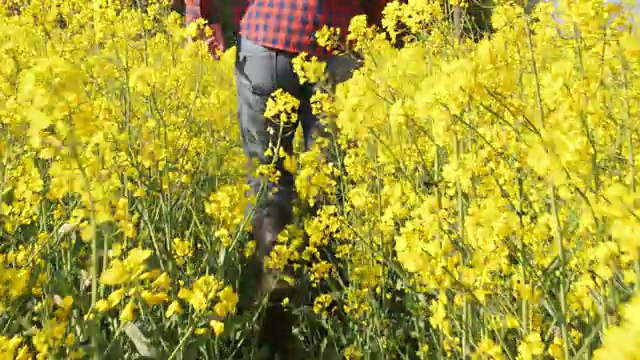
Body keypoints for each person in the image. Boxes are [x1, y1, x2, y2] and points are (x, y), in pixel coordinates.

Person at [173, 1, 390, 358]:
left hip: (268, 37)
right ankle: (325, 324)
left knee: (268, 185)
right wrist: (382, 27)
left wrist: (200, 20)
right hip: (337, 44)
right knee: (329, 188)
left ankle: (273, 326)